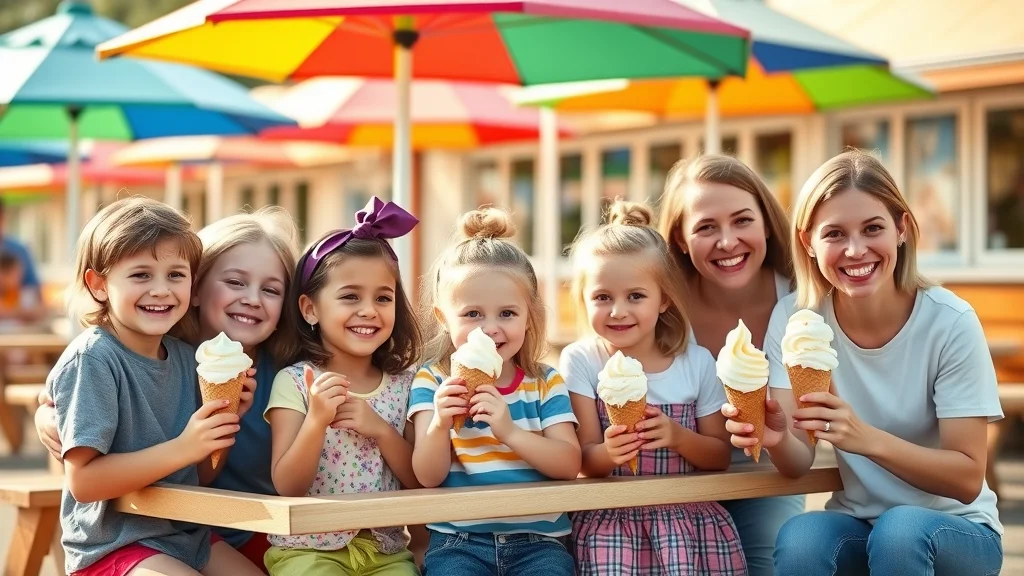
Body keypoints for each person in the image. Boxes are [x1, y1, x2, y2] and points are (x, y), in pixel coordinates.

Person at [727, 150, 1003, 575]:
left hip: (958, 530)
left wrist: (864, 438)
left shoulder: (950, 322)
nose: (855, 250)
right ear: (809, 244)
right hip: (861, 523)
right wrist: (776, 436)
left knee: (901, 530)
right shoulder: (796, 318)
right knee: (801, 538)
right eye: (834, 234)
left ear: (901, 229)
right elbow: (798, 461)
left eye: (872, 228)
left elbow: (967, 479)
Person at [36, 207, 301, 572]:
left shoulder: (186, 358)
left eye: (175, 275)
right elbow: (83, 481)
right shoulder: (95, 358)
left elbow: (199, 475)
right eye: (142, 274)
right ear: (99, 285)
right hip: (118, 540)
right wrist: (184, 446)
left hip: (189, 534)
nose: (161, 289)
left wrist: (221, 427)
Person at [561, 200, 745, 575]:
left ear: (663, 300)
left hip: (688, 524)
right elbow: (582, 461)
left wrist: (678, 437)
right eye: (602, 297)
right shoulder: (582, 360)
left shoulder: (696, 363)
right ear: (583, 299)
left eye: (636, 296)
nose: (617, 310)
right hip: (610, 524)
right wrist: (609, 453)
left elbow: (719, 456)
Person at [410, 207, 581, 576]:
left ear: (528, 315)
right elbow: (426, 475)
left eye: (507, 314)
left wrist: (510, 431)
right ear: (443, 318)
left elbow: (569, 464)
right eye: (472, 314)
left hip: (539, 541)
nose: (489, 329)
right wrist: (440, 423)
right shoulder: (432, 381)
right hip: (458, 541)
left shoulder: (545, 382)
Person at [657, 154, 803, 576]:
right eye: (705, 227)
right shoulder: (659, 302)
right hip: (676, 481)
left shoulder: (800, 302)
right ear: (681, 239)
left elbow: (796, 449)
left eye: (742, 220)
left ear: (765, 223)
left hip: (768, 479)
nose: (727, 241)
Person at [264, 197, 423, 575]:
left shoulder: (407, 385)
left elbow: (419, 479)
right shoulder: (295, 383)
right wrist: (316, 420)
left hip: (386, 553)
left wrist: (382, 432)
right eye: (350, 296)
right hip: (307, 552)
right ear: (310, 309)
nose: (369, 310)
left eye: (383, 298)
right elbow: (287, 485)